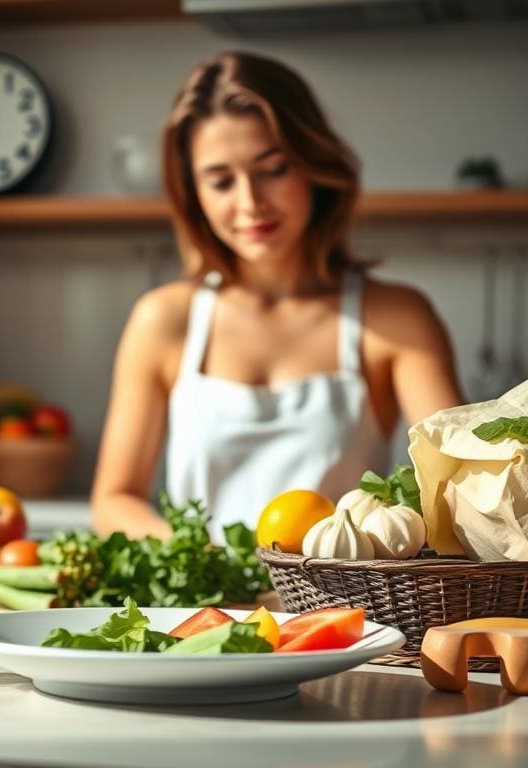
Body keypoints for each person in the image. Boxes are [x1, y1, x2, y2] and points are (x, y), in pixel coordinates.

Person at [91, 52, 463, 542]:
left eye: (273, 169)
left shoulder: (397, 318)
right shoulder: (163, 320)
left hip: (344, 614)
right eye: (221, 180)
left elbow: (460, 486)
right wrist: (206, 561)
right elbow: (113, 501)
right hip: (203, 614)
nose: (249, 202)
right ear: (193, 192)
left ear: (314, 164)